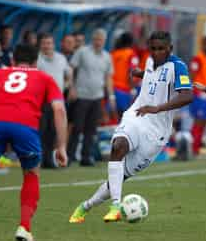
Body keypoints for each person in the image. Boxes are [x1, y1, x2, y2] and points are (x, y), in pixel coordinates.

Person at [69, 31, 193, 223]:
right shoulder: (150, 61)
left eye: (161, 49)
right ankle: (116, 206)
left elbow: (187, 95)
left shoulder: (179, 67)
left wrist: (157, 108)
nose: (156, 53)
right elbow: (154, 77)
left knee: (118, 178)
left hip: (156, 132)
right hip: (137, 115)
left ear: (170, 49)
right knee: (118, 146)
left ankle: (86, 206)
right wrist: (140, 74)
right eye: (153, 49)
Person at [0, 44, 68, 241]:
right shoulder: (44, 78)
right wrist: (61, 146)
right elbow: (59, 109)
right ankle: (24, 228)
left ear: (13, 61)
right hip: (25, 125)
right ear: (36, 62)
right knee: (31, 173)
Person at [67, 28, 115, 166]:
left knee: (91, 129)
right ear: (93, 39)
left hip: (97, 96)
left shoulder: (107, 56)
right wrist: (72, 87)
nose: (98, 42)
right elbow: (71, 69)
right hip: (81, 95)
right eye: (96, 39)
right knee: (77, 127)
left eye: (101, 40)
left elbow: (108, 77)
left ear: (104, 41)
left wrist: (111, 96)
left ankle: (86, 157)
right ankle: (70, 156)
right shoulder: (82, 52)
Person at [37, 33, 74, 168]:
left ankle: (48, 160)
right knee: (41, 130)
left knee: (53, 131)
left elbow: (69, 73)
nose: (47, 46)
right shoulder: (37, 59)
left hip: (57, 100)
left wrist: (67, 86)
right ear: (40, 45)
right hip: (41, 99)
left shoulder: (61, 58)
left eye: (49, 43)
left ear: (53, 44)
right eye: (44, 43)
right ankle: (38, 160)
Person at [110, 32, 140, 118]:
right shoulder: (131, 54)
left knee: (112, 118)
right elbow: (132, 73)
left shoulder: (113, 53)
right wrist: (133, 89)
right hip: (124, 91)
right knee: (124, 119)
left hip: (111, 90)